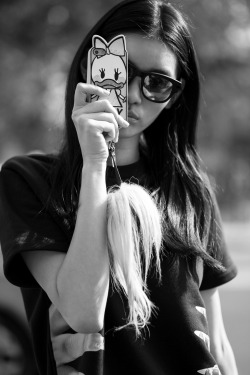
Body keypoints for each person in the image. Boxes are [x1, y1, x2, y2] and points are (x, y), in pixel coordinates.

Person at [0, 0, 239, 374]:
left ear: (174, 97)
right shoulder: (28, 180)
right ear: (89, 68)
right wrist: (96, 164)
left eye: (157, 83)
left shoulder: (190, 188)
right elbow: (83, 313)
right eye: (119, 72)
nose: (132, 95)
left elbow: (217, 339)